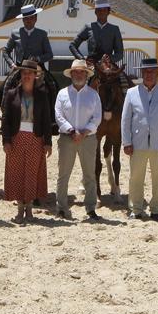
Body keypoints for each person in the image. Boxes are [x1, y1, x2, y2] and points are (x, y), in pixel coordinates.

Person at [121, 57, 158, 220]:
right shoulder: (132, 93)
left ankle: (156, 209)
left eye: (152, 71)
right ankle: (136, 209)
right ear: (141, 73)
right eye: (146, 71)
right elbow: (126, 119)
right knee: (136, 177)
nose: (149, 74)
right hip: (137, 143)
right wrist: (127, 141)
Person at [0, 59, 54, 222]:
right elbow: (6, 118)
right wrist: (6, 140)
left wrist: (48, 142)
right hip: (17, 137)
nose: (27, 76)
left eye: (30, 73)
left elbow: (46, 119)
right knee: (16, 173)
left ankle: (29, 208)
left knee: (31, 173)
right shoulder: (11, 94)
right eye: (24, 73)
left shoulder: (42, 95)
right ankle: (19, 209)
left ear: (35, 76)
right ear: (20, 75)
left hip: (35, 138)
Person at [54, 59, 103, 220]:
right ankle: (61, 207)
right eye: (75, 72)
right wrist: (71, 131)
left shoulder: (93, 94)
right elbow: (59, 116)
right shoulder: (62, 93)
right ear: (71, 74)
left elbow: (97, 118)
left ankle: (90, 208)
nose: (78, 74)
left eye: (82, 71)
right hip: (67, 138)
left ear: (86, 74)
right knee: (63, 174)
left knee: (89, 174)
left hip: (88, 138)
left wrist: (83, 132)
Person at [70, 0, 124, 66]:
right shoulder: (88, 27)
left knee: (121, 76)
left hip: (108, 65)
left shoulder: (114, 29)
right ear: (95, 12)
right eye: (99, 10)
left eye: (104, 10)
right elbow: (72, 45)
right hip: (90, 65)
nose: (101, 12)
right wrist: (82, 59)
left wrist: (109, 59)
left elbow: (120, 54)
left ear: (108, 12)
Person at [3, 4, 54, 69]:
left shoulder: (42, 34)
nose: (29, 20)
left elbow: (49, 55)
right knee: (10, 79)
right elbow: (5, 51)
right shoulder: (14, 33)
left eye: (31, 18)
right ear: (23, 20)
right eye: (26, 18)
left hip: (38, 68)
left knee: (48, 79)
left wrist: (38, 58)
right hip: (20, 68)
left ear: (36, 19)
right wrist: (12, 64)